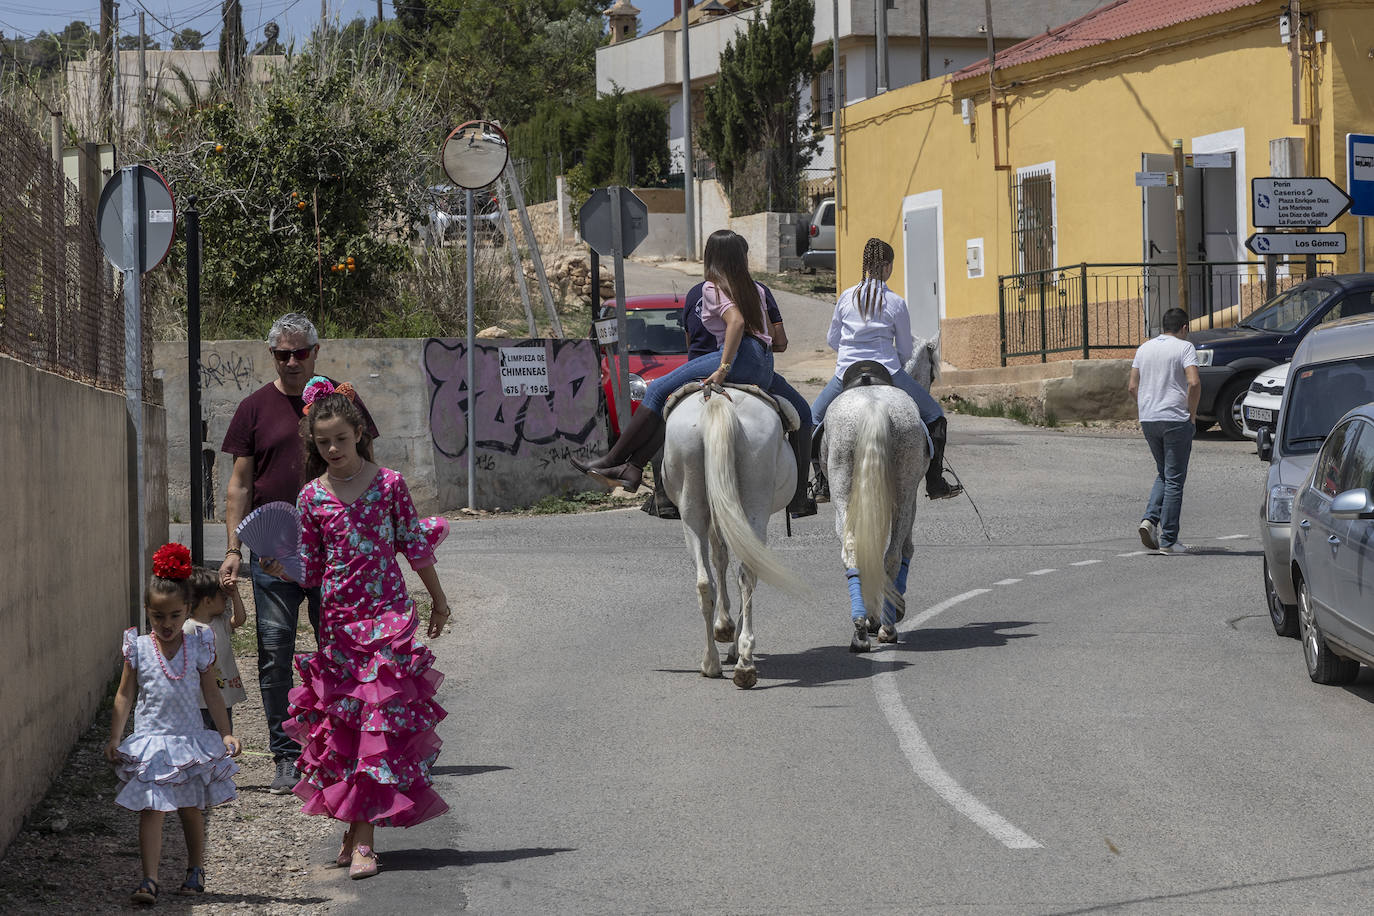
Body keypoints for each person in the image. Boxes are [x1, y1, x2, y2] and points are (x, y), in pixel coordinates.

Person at [266, 377, 451, 880]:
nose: (332, 449)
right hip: (338, 627)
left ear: (359, 434)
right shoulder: (310, 497)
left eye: (341, 440)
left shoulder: (389, 484)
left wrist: (438, 600)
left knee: (378, 725)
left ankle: (366, 843)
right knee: (347, 729)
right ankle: (354, 828)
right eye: (322, 442)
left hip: (388, 623)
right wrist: (286, 569)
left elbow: (414, 545)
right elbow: (312, 564)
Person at [218, 312, 378, 794]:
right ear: (272, 355)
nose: (291, 361)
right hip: (274, 557)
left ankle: (336, 748)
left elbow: (369, 469)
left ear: (315, 352)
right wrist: (232, 549)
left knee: (340, 650)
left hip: (338, 555)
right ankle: (286, 757)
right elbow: (240, 485)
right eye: (282, 353)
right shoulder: (253, 409)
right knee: (274, 654)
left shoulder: (342, 403)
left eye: (300, 352)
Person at [572, 230, 779, 493]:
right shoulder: (755, 289)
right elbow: (771, 335)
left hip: (741, 356)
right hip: (764, 365)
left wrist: (723, 368)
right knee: (802, 414)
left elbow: (736, 322)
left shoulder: (712, 288)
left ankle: (611, 461)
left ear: (711, 257)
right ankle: (634, 467)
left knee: (658, 390)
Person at [106, 543, 242, 905]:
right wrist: (116, 737)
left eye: (175, 615)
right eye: (158, 617)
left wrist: (225, 731)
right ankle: (148, 879)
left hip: (188, 740)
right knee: (153, 808)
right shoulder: (137, 648)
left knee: (190, 807)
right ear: (148, 612)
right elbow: (124, 695)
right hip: (152, 741)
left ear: (188, 610)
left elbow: (212, 693)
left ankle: (195, 869)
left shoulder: (199, 643)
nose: (166, 624)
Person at [810, 238, 963, 500]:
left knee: (812, 418)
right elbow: (904, 349)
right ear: (888, 267)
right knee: (936, 416)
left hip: (846, 373)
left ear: (866, 266)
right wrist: (896, 365)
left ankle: (822, 483)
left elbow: (832, 340)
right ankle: (935, 482)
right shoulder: (896, 302)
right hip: (887, 371)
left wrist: (849, 353)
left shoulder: (846, 297)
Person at [674, 248, 817, 518]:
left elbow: (689, 342)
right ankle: (798, 497)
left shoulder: (697, 291)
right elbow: (780, 341)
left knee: (663, 399)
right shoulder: (759, 289)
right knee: (804, 415)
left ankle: (661, 492)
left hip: (706, 366)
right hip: (743, 364)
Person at [1129, 307, 1201, 555]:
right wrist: (1191, 414)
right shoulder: (1185, 347)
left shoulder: (1144, 348)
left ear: (1162, 326)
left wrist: (1147, 405)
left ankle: (1150, 520)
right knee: (1174, 480)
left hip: (1149, 418)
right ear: (1184, 327)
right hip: (1175, 418)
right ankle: (1169, 540)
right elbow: (1193, 382)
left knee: (1164, 472)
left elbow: (1132, 386)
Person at [185, 567, 248, 732]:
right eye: (223, 596)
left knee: (224, 731)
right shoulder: (189, 628)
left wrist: (235, 596)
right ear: (207, 601)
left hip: (223, 694)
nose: (226, 600)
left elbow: (240, 619)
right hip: (199, 698)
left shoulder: (220, 622)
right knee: (203, 734)